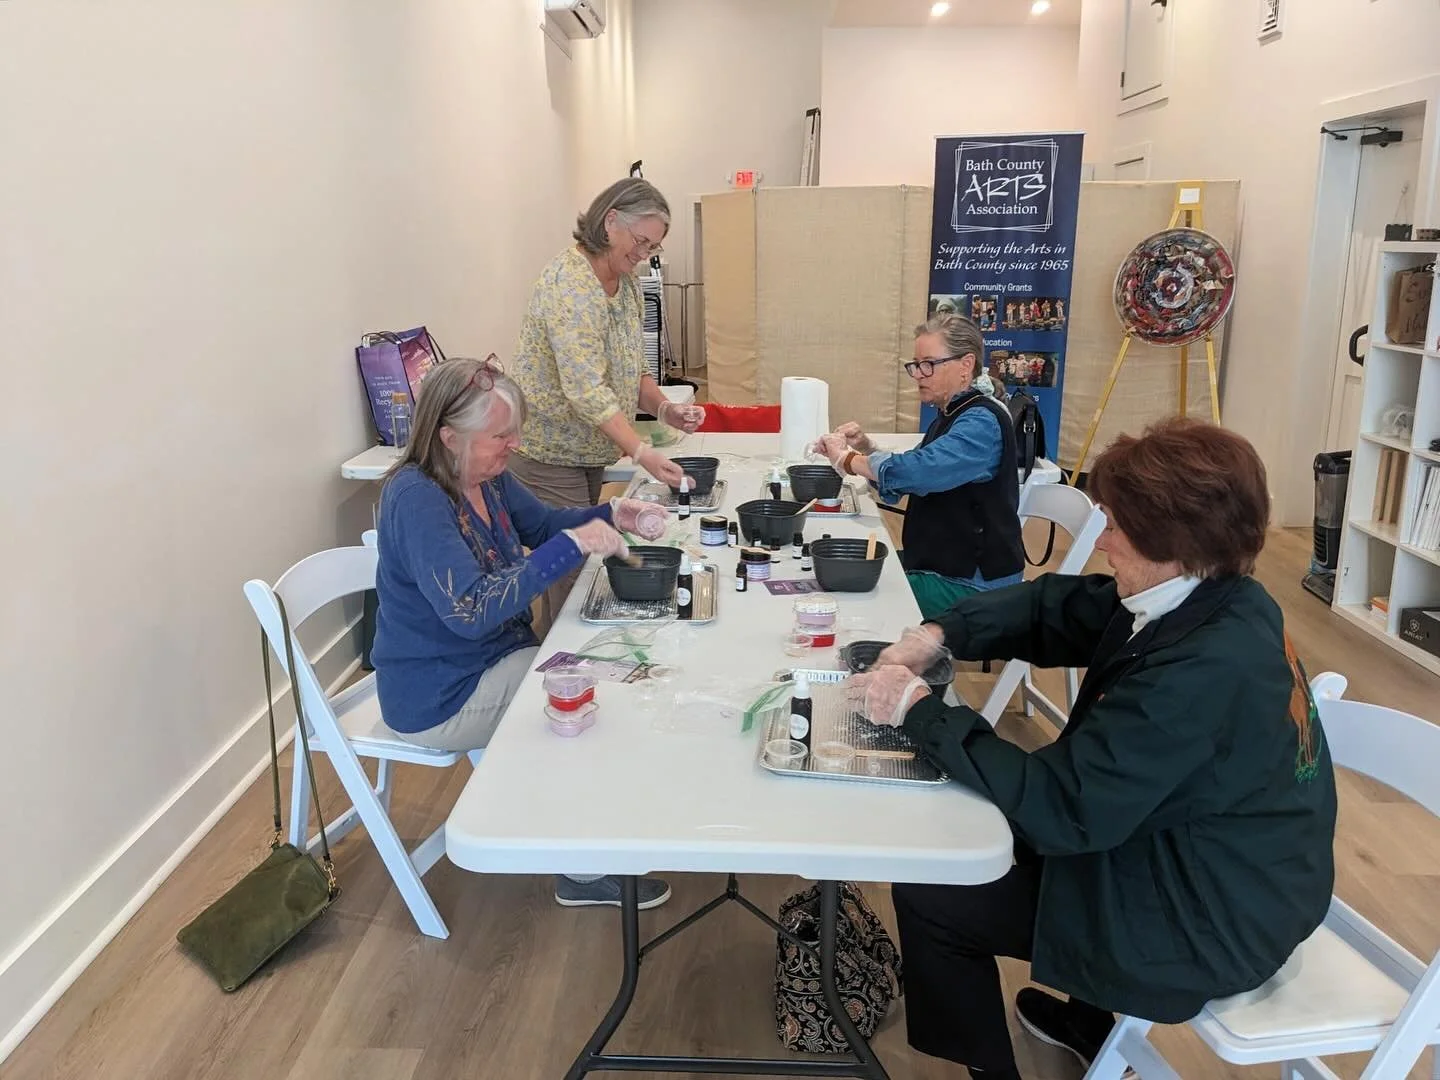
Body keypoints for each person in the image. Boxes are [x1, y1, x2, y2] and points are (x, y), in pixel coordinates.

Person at [846, 418, 1338, 1079]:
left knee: (936, 889)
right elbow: (1057, 607)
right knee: (973, 818)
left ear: (1175, 543)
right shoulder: (1215, 598)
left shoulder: (1204, 671)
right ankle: (1089, 1021)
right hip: (1231, 864)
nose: (1103, 542)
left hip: (1213, 919)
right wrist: (941, 632)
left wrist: (919, 712)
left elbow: (1062, 807)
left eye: (1117, 529)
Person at [372, 356, 674, 910]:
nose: (513, 446)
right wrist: (576, 544)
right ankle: (580, 868)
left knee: (605, 666)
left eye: (514, 434)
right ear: (449, 437)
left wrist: (612, 514)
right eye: (500, 436)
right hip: (440, 694)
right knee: (592, 689)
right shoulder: (417, 498)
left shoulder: (485, 477)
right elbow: (471, 611)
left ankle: (594, 828)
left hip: (493, 662)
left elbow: (541, 526)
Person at [509, 177, 704, 627]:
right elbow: (586, 390)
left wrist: (665, 408)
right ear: (610, 220)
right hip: (549, 455)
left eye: (652, 247)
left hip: (587, 453)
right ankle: (556, 675)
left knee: (584, 565)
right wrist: (641, 451)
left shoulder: (627, 284)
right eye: (640, 241)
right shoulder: (571, 286)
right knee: (571, 576)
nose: (643, 254)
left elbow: (629, 367)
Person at [815, 314, 1023, 620]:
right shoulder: (954, 411)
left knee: (848, 592)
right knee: (841, 570)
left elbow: (919, 472)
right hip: (942, 567)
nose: (919, 375)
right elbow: (911, 476)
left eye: (929, 364)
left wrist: (846, 459)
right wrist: (866, 449)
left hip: (972, 585)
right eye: (915, 364)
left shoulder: (981, 422)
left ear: (966, 365)